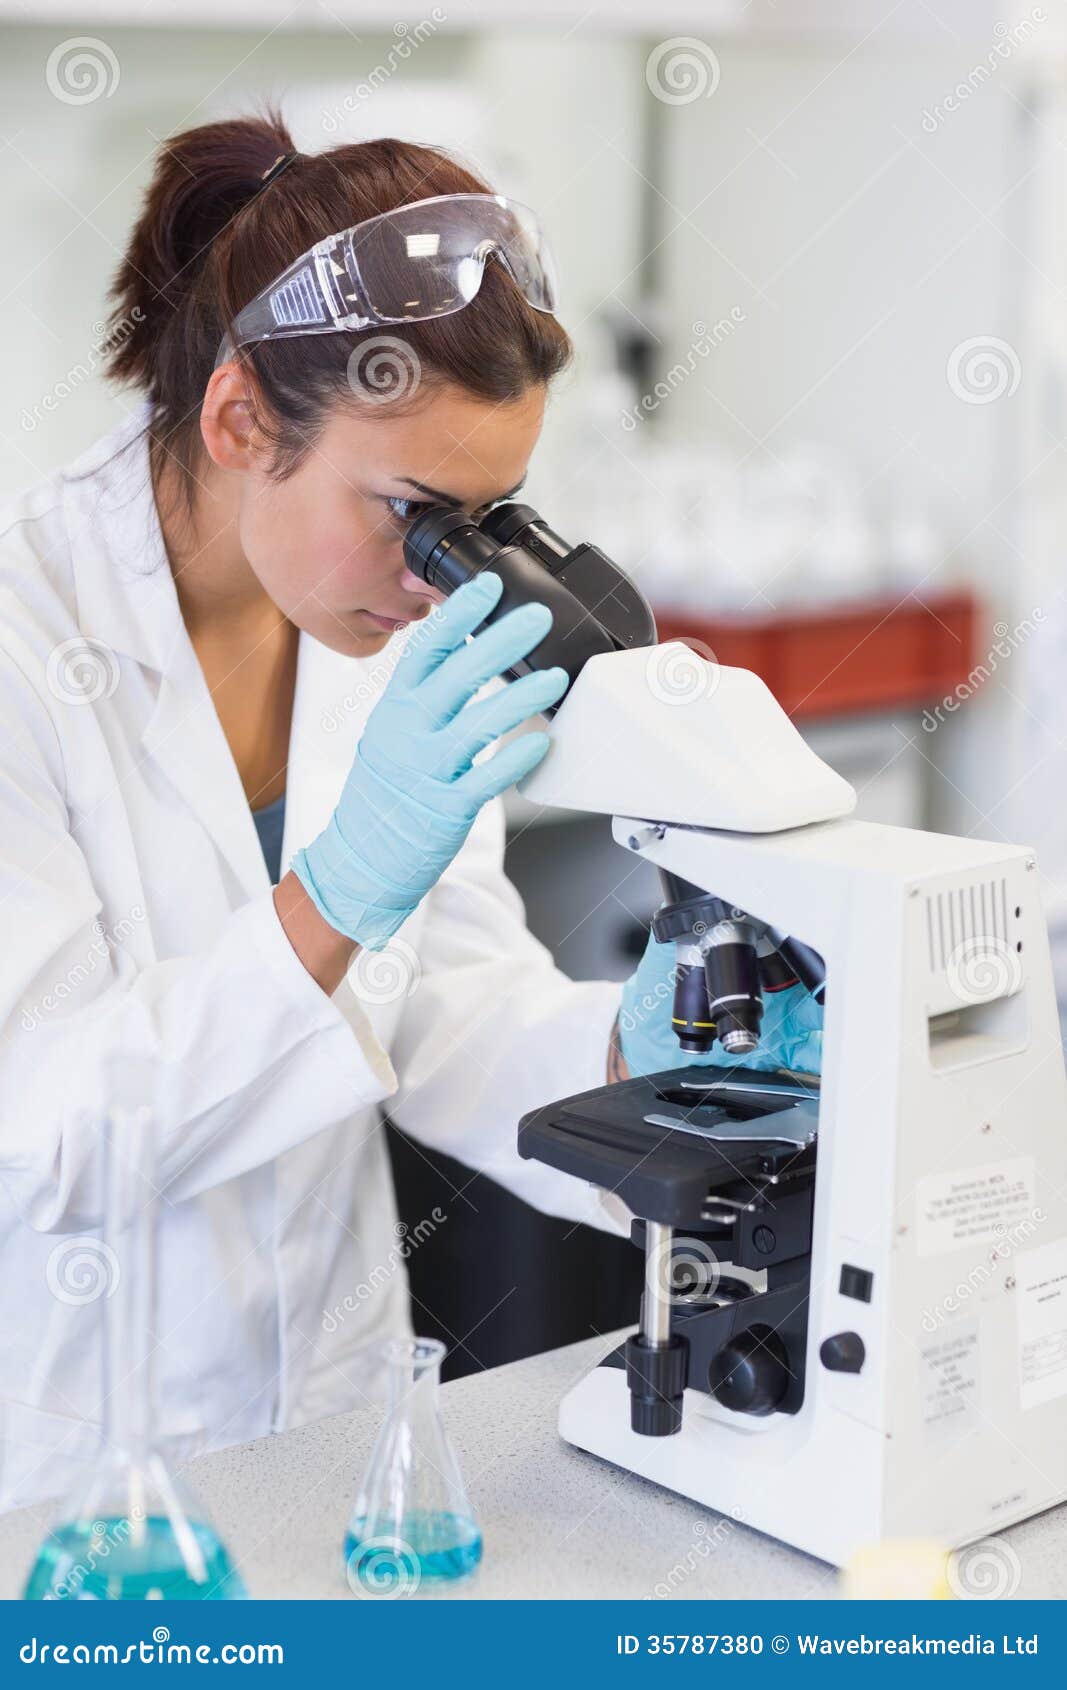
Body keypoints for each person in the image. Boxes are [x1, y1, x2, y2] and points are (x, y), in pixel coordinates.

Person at [0, 114, 821, 1512]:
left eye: (488, 519)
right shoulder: (29, 637)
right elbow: (45, 1134)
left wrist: (650, 1060)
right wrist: (335, 893)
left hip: (329, 1416)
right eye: (416, 513)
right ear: (240, 421)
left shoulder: (372, 629)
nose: (445, 574)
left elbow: (441, 1007)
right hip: (71, 1454)